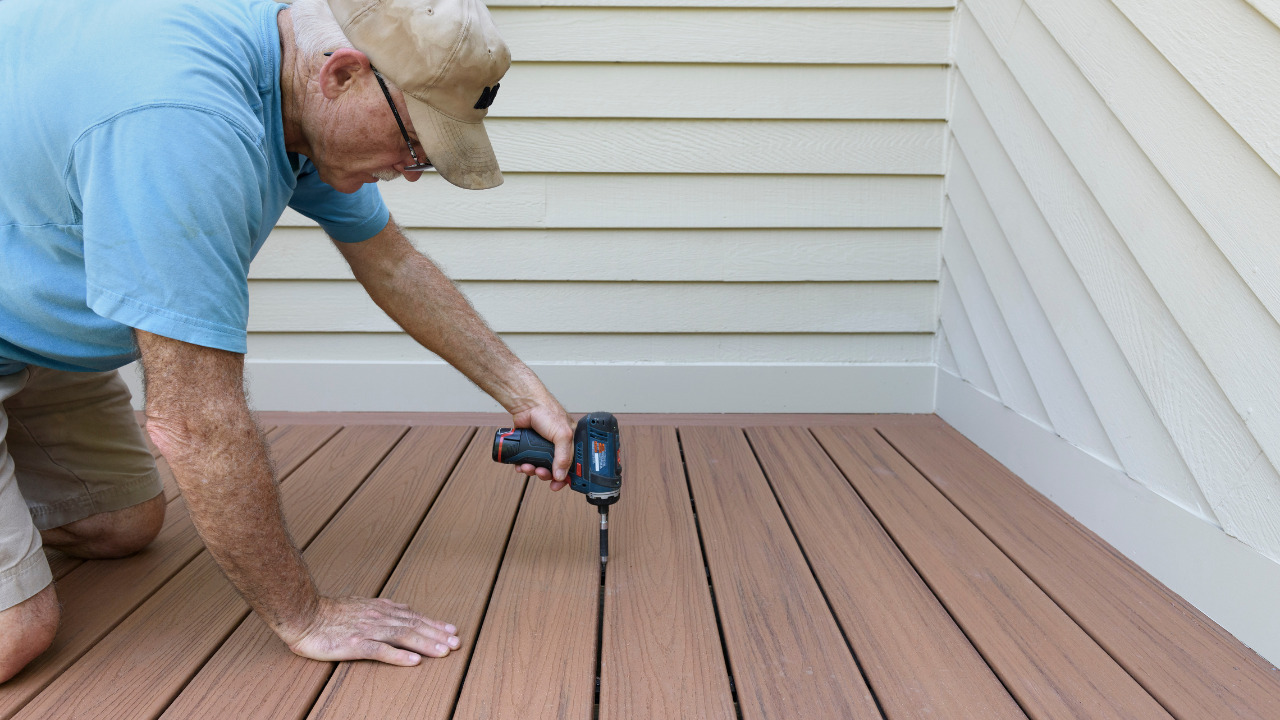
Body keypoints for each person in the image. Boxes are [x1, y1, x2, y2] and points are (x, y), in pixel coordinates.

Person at [0, 0, 574, 683]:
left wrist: (522, 391)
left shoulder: (294, 77)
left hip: (30, 334)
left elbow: (390, 261)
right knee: (19, 632)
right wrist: (304, 615)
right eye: (415, 143)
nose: (413, 171)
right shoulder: (186, 125)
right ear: (344, 75)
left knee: (120, 525)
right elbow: (193, 424)